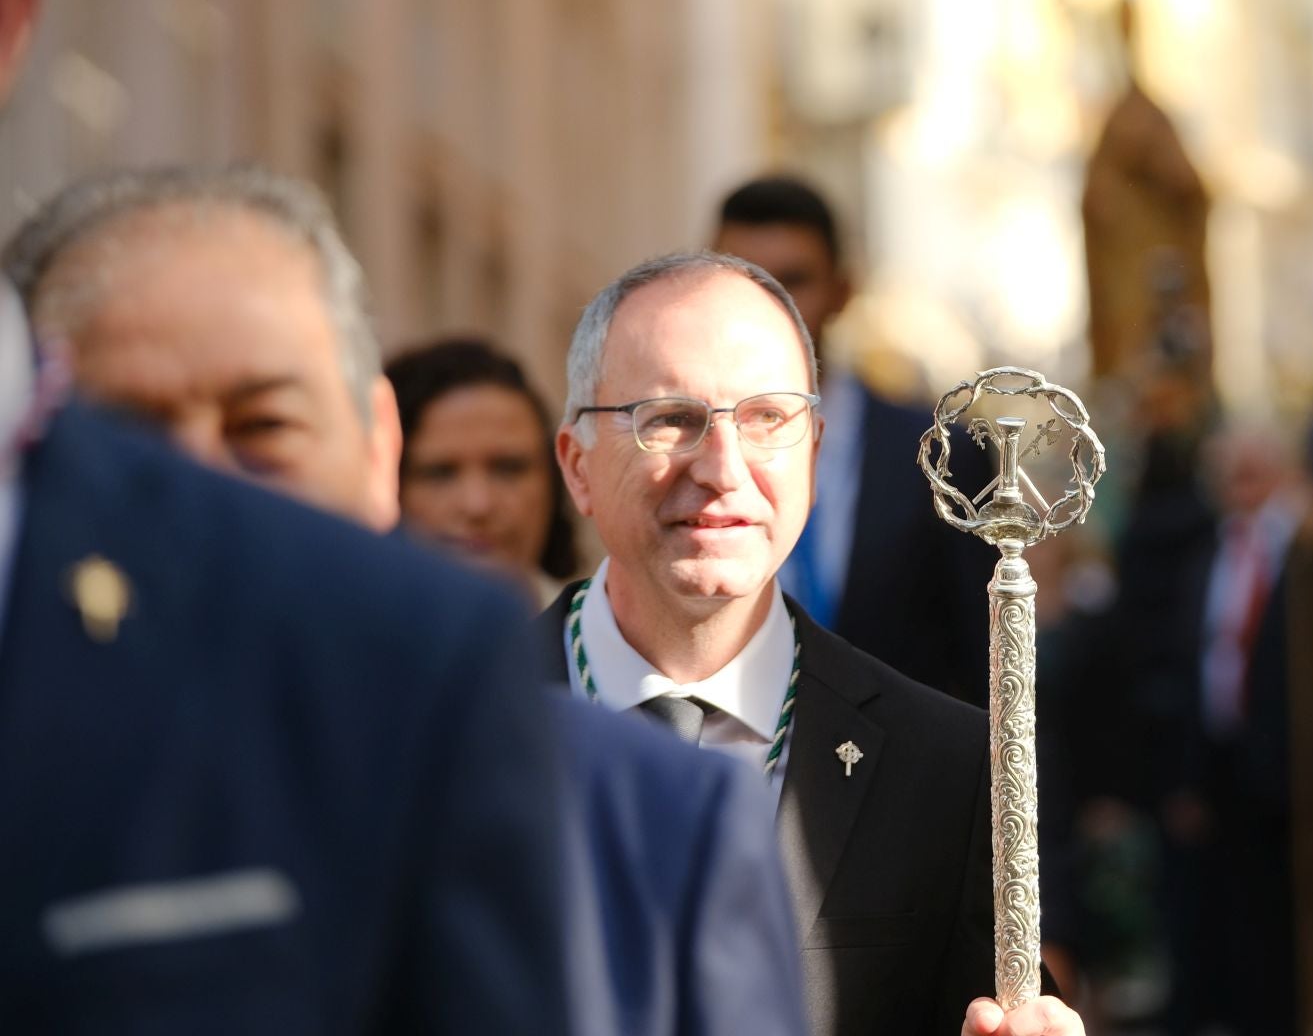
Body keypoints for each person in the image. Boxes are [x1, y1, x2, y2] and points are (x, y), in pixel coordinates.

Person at [4, 166, 805, 1036]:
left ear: (378, 445)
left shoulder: (653, 832)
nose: (206, 502)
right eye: (128, 442)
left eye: (262, 429)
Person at [545, 250, 1085, 1036]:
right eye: (670, 418)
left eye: (767, 419)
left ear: (816, 455)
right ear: (578, 465)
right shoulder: (438, 737)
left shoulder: (946, 770)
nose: (724, 468)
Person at [1117, 420, 1313, 1036]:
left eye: (1252, 469)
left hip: (1307, 771)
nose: (1239, 482)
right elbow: (1194, 669)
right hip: (1229, 767)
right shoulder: (1208, 554)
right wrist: (1188, 776)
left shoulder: (1311, 545)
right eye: (1228, 471)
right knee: (1249, 933)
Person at [712, 175, 997, 704]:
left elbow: (988, 663)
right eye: (746, 281)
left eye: (794, 280)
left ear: (843, 291)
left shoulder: (941, 454)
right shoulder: (680, 450)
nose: (772, 305)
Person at [386, 337, 579, 602]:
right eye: (441, 473)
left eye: (508, 469)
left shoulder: (594, 638)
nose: (478, 505)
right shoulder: (330, 638)